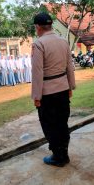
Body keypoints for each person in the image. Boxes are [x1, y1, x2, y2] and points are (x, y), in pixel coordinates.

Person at [31, 13, 76, 167]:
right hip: (63, 89)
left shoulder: (38, 44)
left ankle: (58, 156)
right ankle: (64, 153)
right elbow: (70, 66)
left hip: (48, 93)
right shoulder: (63, 41)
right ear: (51, 26)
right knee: (62, 123)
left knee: (50, 124)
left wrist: (36, 96)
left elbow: (37, 73)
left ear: (37, 27)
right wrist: (71, 87)